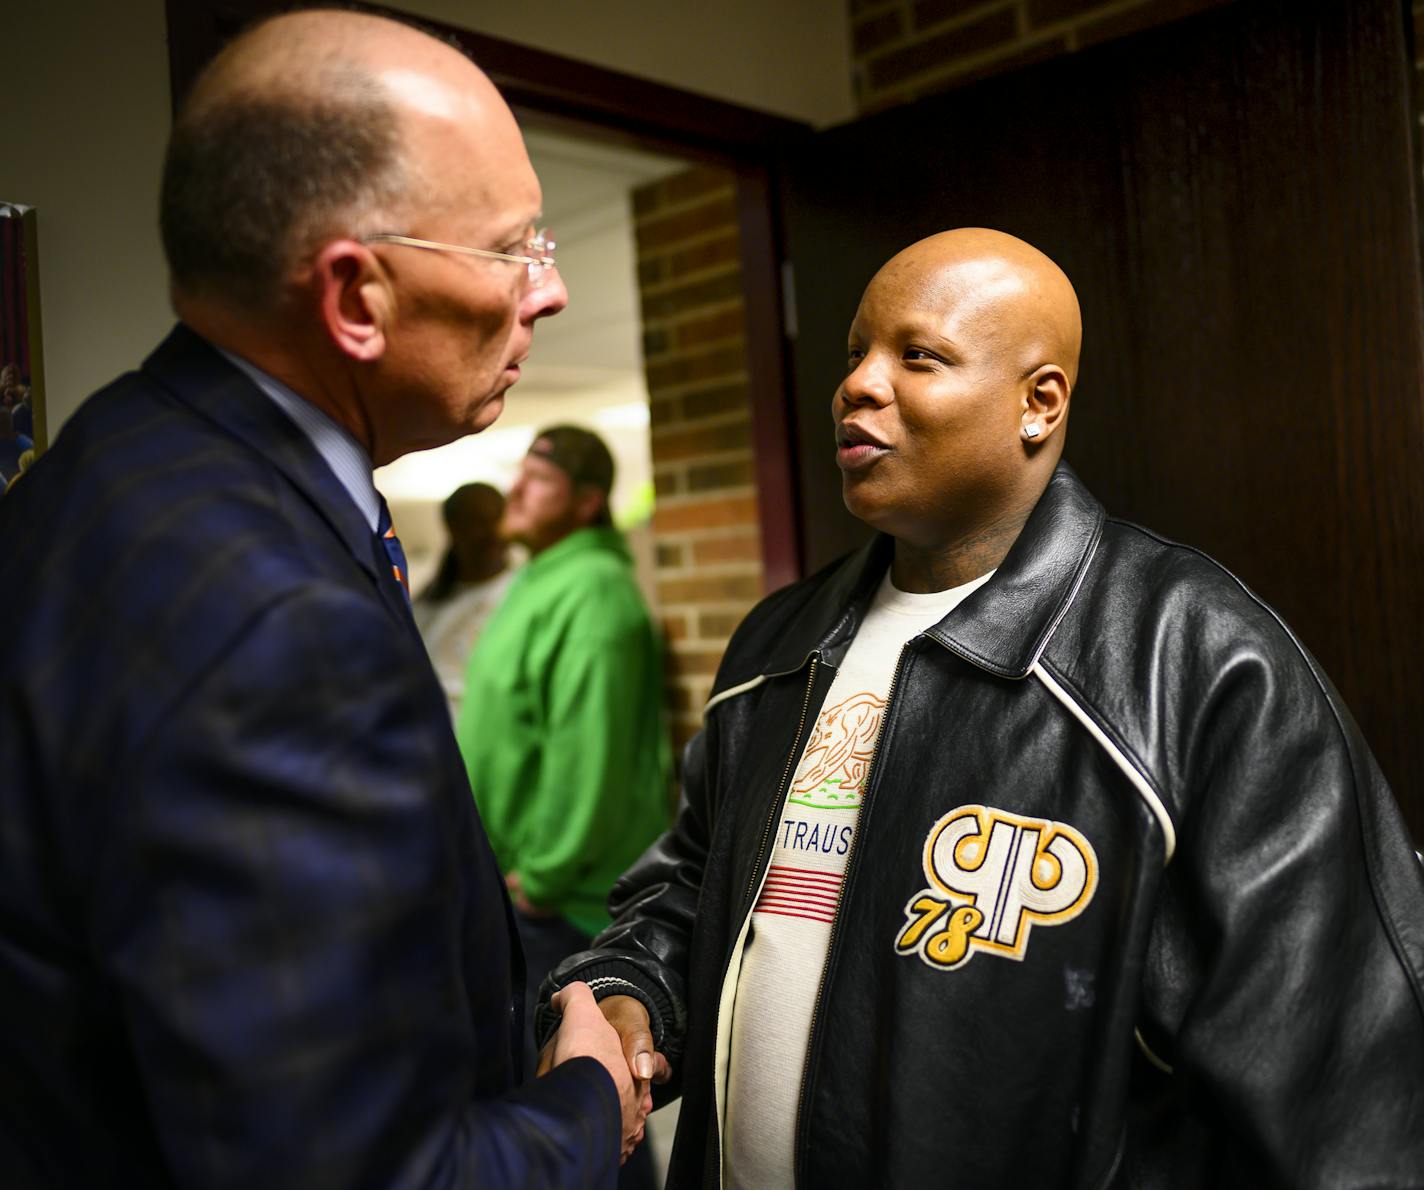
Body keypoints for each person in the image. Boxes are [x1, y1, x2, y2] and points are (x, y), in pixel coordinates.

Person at [539, 229, 1424, 1188]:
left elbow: (1342, 1088)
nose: (857, 386)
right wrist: (632, 992)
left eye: (917, 357)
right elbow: (690, 885)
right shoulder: (777, 644)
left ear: (1038, 403)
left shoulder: (1198, 660)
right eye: (854, 355)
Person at [0, 10, 653, 1188]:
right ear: (355, 298)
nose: (547, 293)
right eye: (513, 251)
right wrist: (586, 1105)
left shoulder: (110, 459)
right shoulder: (277, 621)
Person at [458, 426, 672, 1040]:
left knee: (574, 1101)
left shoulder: (595, 591)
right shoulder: (540, 577)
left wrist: (541, 881)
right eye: (519, 473)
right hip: (516, 885)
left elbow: (587, 757)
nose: (515, 491)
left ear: (585, 502)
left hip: (560, 901)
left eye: (540, 480)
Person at [414, 481, 515, 723]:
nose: (493, 532)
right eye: (478, 522)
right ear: (452, 528)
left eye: (498, 518)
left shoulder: (521, 595)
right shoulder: (425, 603)